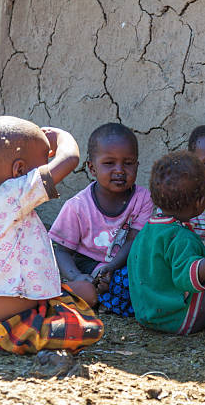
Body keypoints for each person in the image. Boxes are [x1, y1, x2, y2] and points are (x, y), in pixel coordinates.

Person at [0, 116, 104, 354]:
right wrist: (60, 137)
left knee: (85, 292)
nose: (48, 163)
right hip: (10, 320)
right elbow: (70, 160)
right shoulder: (14, 194)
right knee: (87, 329)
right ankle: (18, 338)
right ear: (19, 170)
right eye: (44, 160)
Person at [128, 151, 205, 334]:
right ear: (199, 203)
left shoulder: (147, 230)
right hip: (177, 320)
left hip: (147, 316)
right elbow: (187, 279)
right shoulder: (181, 238)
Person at [49, 123, 154, 317]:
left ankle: (98, 298)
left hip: (123, 263)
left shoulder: (143, 199)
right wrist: (77, 276)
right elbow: (61, 251)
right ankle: (81, 292)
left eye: (128, 163)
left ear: (137, 165)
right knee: (103, 286)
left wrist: (111, 268)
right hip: (88, 265)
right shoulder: (78, 206)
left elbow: (133, 241)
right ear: (92, 167)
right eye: (109, 163)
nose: (120, 170)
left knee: (147, 277)